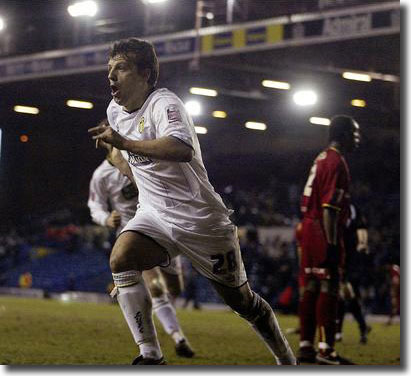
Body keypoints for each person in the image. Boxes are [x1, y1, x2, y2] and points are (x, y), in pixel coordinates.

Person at [88, 37, 296, 366]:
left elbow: (180, 148)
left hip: (201, 221)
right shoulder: (114, 111)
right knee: (121, 258)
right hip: (154, 215)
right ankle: (151, 355)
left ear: (145, 74)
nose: (111, 77)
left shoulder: (164, 103)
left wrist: (124, 142)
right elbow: (141, 171)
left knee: (242, 302)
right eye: (109, 70)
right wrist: (117, 160)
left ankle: (287, 360)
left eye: (121, 69)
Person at [87, 135, 194, 358]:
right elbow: (94, 205)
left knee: (174, 288)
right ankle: (174, 338)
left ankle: (164, 321)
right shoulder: (101, 175)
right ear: (104, 142)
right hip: (134, 233)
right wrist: (106, 218)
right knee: (155, 287)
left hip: (162, 226)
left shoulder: (139, 159)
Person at [297, 115, 360, 365]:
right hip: (323, 228)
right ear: (344, 134)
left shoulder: (321, 157)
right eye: (355, 133)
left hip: (308, 228)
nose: (358, 138)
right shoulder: (337, 161)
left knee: (311, 286)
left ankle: (306, 347)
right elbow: (329, 207)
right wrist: (333, 244)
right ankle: (326, 350)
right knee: (329, 285)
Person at [335, 203, 371, 344]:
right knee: (344, 297)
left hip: (351, 262)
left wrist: (363, 243)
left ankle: (356, 329)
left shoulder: (351, 210)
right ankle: (360, 329)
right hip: (341, 260)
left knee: (348, 296)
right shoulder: (344, 210)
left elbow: (361, 229)